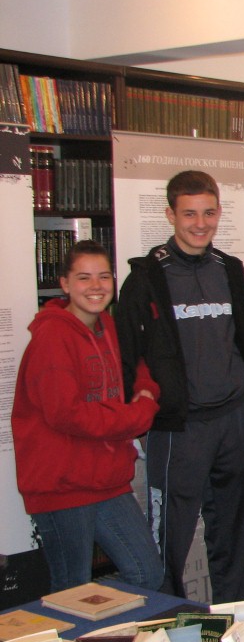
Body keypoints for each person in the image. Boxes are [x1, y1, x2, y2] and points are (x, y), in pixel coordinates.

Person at [116, 170, 244, 602]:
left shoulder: (230, 269)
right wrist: (135, 415)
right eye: (189, 214)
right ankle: (166, 626)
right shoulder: (147, 277)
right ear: (171, 215)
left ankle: (233, 622)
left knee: (235, 537)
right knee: (169, 543)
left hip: (232, 421)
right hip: (179, 428)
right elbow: (126, 354)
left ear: (218, 212)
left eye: (208, 213)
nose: (201, 224)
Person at [12, 240, 163, 593]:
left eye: (104, 276)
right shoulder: (52, 336)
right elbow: (67, 414)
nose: (96, 286)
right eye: (84, 277)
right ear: (65, 284)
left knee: (147, 573)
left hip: (106, 480)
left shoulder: (107, 325)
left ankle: (106, 628)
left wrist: (146, 392)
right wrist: (136, 416)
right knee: (72, 590)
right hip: (62, 486)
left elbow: (136, 366)